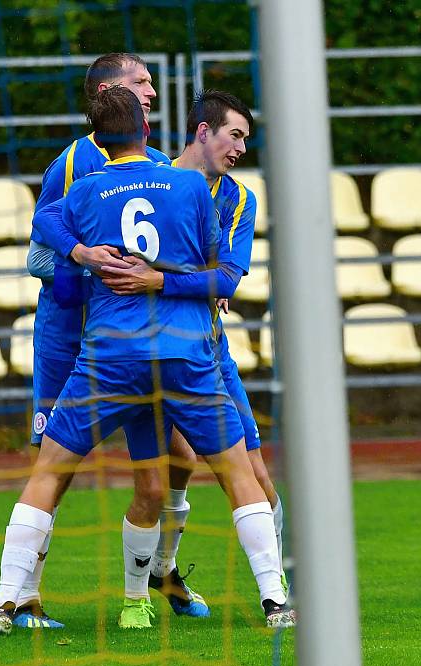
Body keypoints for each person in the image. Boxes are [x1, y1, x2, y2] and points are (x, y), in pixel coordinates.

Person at [0, 87, 292, 636]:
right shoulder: (189, 185)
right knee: (238, 473)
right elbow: (223, 273)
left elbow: (44, 227)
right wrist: (167, 274)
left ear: (98, 136)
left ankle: (2, 605)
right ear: (147, 130)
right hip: (186, 352)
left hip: (111, 356)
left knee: (50, 470)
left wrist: (82, 253)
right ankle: (276, 603)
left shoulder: (86, 190)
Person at [17, 52, 206, 628]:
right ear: (107, 92)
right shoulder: (71, 163)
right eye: (141, 82)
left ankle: (161, 569)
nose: (152, 90)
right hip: (71, 336)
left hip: (137, 340)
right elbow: (37, 250)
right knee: (57, 466)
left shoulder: (154, 164)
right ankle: (21, 597)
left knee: (182, 457)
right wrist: (85, 258)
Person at [98, 89, 288, 593]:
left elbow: (226, 279)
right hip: (138, 347)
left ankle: (278, 585)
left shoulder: (239, 198)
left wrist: (166, 278)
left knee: (253, 472)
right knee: (163, 472)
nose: (242, 149)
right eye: (235, 135)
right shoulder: (147, 172)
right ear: (203, 131)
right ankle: (150, 581)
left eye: (247, 139)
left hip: (207, 347)